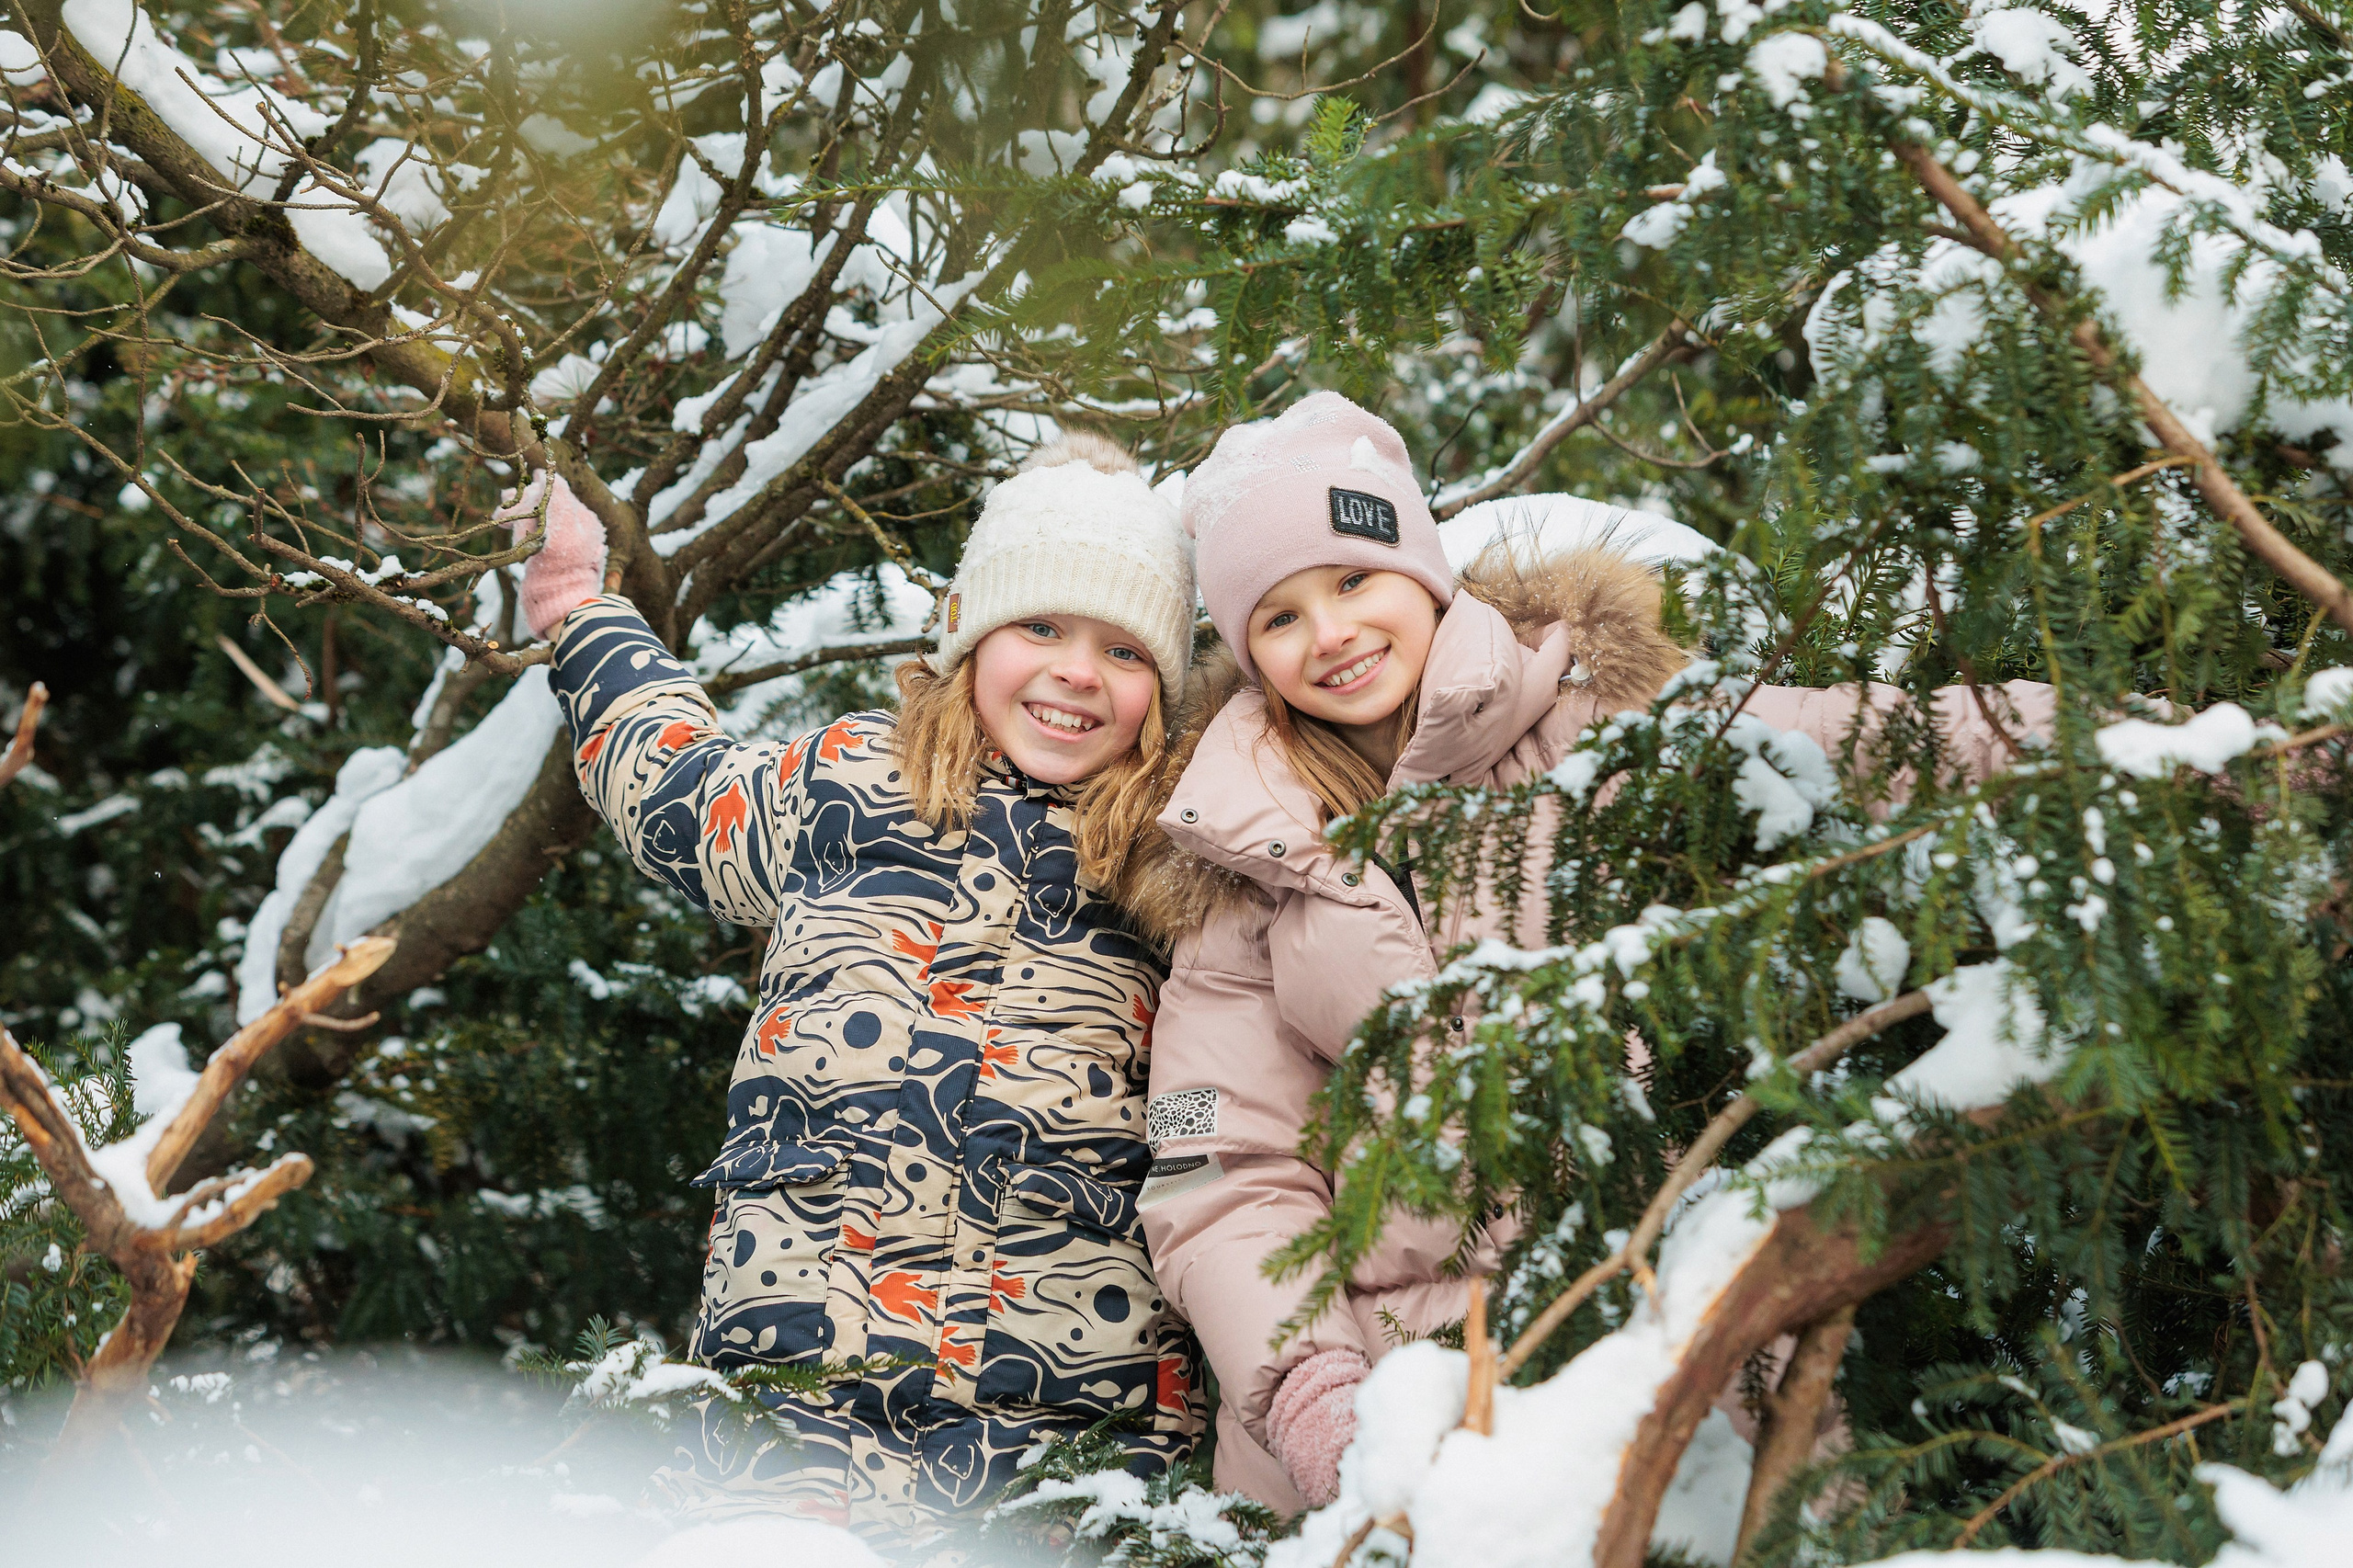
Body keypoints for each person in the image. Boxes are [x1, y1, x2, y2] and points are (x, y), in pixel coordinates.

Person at [1130, 392, 2052, 1512]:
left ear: (1420, 571)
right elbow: (1224, 1163)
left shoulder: (1593, 722)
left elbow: (1859, 742)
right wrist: (1315, 1393)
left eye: (1353, 579)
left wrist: (2122, 741)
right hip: (1392, 1404)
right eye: (1277, 616)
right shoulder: (1236, 849)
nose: (1328, 634)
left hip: (1652, 1345)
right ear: (1247, 651)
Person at [506, 436, 1204, 1540]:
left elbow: (1225, 1081)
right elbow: (678, 789)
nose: (1077, 671)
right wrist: (577, 609)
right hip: (797, 1394)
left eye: (1123, 648)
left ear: (1163, 686)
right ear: (969, 633)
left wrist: (1181, 1140)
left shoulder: (1180, 851)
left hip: (1060, 1427)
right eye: (1041, 627)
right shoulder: (848, 783)